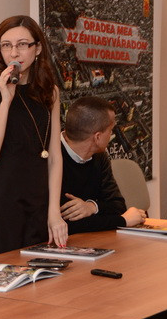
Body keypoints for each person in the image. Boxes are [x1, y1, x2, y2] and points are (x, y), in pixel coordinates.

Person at [0, 15, 68, 259]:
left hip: (39, 202)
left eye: (22, 44)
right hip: (1, 203)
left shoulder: (50, 92)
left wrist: (54, 212)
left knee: (43, 276)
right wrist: (6, 100)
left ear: (37, 48)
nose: (14, 53)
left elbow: (54, 156)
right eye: (6, 45)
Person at [60, 96, 146, 233]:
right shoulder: (52, 159)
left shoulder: (99, 156)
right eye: (110, 130)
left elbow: (118, 206)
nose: (112, 134)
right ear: (98, 137)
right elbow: (67, 225)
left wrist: (92, 207)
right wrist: (123, 221)